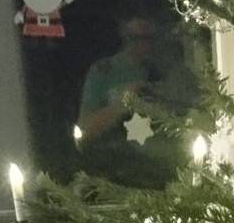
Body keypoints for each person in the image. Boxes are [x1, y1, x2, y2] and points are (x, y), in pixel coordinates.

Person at [76, 16, 193, 186]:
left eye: (148, 38)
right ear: (124, 35)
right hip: (118, 171)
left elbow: (188, 117)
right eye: (135, 38)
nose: (142, 44)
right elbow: (85, 130)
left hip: (163, 170)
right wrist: (124, 102)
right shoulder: (105, 71)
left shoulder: (169, 72)